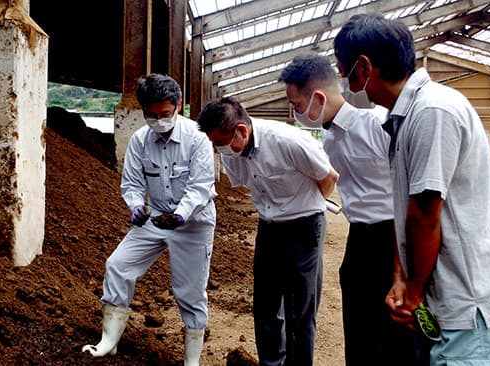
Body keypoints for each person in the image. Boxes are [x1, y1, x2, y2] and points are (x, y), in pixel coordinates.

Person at [334, 13, 490, 365]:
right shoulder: (403, 118)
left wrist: (411, 294)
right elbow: (404, 211)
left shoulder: (432, 112)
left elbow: (425, 215)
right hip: (445, 302)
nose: (345, 85)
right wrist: (400, 276)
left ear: (363, 68)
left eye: (344, 72)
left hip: (468, 307)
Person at [277, 53, 426, 365]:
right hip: (359, 241)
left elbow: (420, 174)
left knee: (400, 334)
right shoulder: (330, 138)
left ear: (318, 97)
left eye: (296, 104)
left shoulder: (377, 125)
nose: (296, 112)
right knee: (359, 332)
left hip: (394, 237)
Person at [81, 73, 217, 366]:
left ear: (178, 106)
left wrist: (181, 215)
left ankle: (191, 360)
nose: (158, 120)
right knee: (117, 266)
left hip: (193, 223)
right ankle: (109, 341)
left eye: (164, 114)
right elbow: (131, 184)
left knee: (189, 291)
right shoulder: (140, 141)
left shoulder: (198, 138)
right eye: (150, 115)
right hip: (154, 217)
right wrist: (135, 206)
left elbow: (200, 187)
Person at [196, 96, 338, 366]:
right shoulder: (234, 152)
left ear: (242, 130)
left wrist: (308, 205)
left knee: (300, 310)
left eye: (221, 143)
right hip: (269, 228)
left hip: (305, 227)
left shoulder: (288, 141)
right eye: (214, 143)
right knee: (266, 306)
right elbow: (242, 180)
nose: (218, 149)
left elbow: (329, 178)